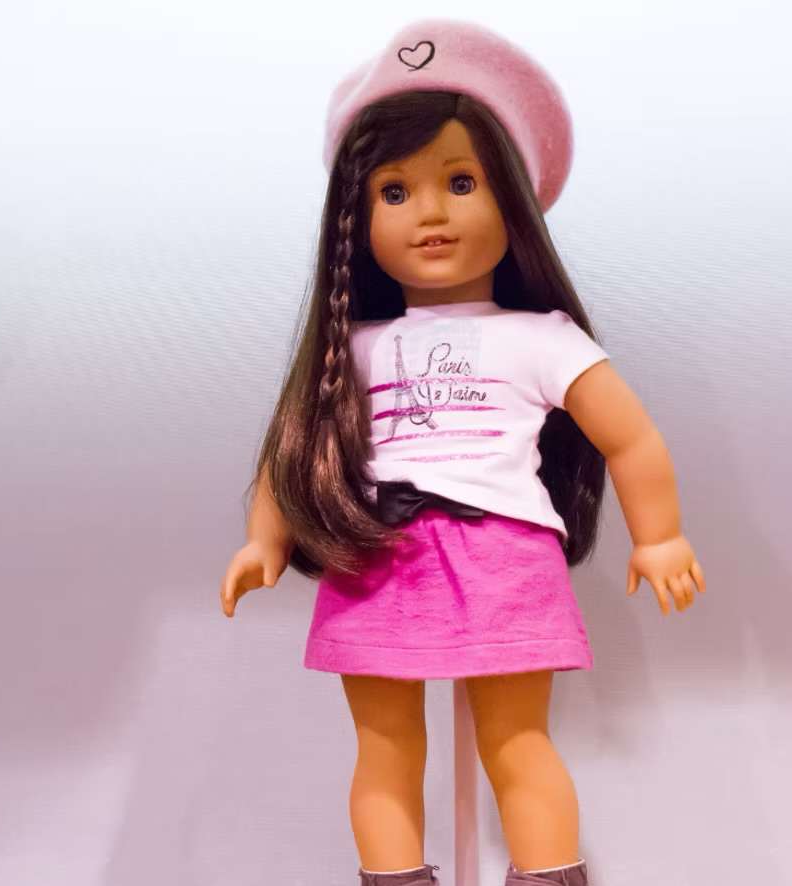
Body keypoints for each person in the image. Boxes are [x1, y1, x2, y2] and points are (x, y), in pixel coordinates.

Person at [219, 19, 705, 886]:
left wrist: (659, 535)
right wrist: (266, 539)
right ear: (357, 220)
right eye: (394, 192)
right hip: (373, 557)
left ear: (511, 200)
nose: (431, 213)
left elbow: (629, 436)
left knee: (516, 743)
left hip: (504, 558)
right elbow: (292, 451)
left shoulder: (542, 338)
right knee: (384, 748)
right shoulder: (353, 349)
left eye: (460, 181)